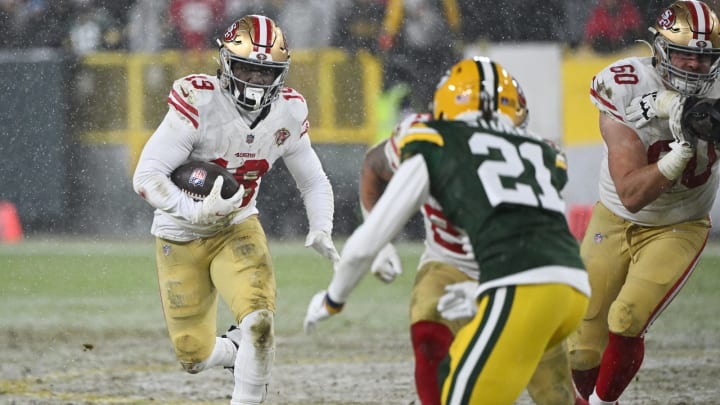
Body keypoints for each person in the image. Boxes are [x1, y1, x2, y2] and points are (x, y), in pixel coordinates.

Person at [303, 56, 591, 405]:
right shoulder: (542, 151)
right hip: (512, 272)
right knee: (434, 338)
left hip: (512, 278)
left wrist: (335, 298)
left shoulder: (432, 136)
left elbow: (364, 240)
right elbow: (374, 166)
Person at [132, 15, 339, 405]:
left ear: (280, 73)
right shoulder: (199, 101)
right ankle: (231, 349)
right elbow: (146, 176)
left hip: (237, 226)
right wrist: (192, 212)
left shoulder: (288, 113)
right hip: (180, 233)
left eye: (265, 72)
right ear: (226, 63)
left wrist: (321, 227)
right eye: (246, 68)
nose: (254, 80)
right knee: (193, 356)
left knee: (260, 325)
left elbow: (313, 180)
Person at [567, 1, 720, 404]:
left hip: (680, 223)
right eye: (684, 54)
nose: (692, 67)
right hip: (616, 215)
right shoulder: (624, 83)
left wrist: (683, 109)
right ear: (661, 49)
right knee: (581, 343)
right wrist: (677, 156)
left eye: (703, 59)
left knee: (627, 316)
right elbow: (632, 195)